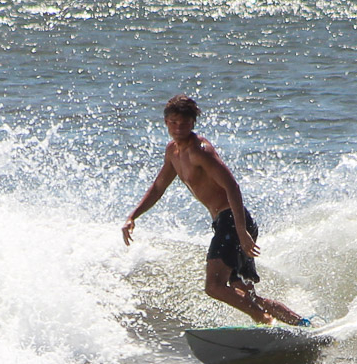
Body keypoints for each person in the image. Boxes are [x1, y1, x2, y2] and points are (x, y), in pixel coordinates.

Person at [122, 95, 306, 326]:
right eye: (174, 122)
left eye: (185, 123)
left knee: (214, 287)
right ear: (166, 122)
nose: (179, 128)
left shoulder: (200, 151)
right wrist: (132, 216)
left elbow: (232, 187)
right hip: (226, 223)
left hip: (232, 221)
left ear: (193, 123)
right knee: (245, 294)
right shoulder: (173, 152)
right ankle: (301, 324)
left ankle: (263, 318)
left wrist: (241, 231)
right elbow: (158, 187)